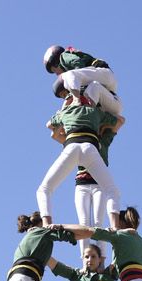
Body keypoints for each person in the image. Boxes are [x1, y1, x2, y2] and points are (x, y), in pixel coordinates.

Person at [37, 90, 124, 229]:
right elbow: (118, 120)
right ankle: (114, 227)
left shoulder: (65, 112)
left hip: (72, 146)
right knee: (112, 190)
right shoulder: (94, 112)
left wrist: (64, 111)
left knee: (45, 189)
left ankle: (47, 223)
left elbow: (48, 125)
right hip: (90, 148)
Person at [42, 44, 122, 117]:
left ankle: (77, 100)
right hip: (106, 85)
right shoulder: (83, 79)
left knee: (68, 75)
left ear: (56, 62)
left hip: (103, 73)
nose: (56, 74)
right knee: (92, 90)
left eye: (55, 70)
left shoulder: (64, 56)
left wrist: (76, 96)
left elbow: (78, 64)